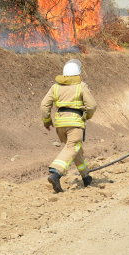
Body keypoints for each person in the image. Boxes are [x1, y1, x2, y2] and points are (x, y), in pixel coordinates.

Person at [40, 59, 98, 192]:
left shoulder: (55, 87)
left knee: (75, 149)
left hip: (60, 124)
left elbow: (44, 105)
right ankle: (56, 173)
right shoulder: (81, 86)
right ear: (78, 73)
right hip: (75, 123)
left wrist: (47, 121)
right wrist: (87, 116)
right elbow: (92, 106)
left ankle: (86, 178)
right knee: (72, 147)